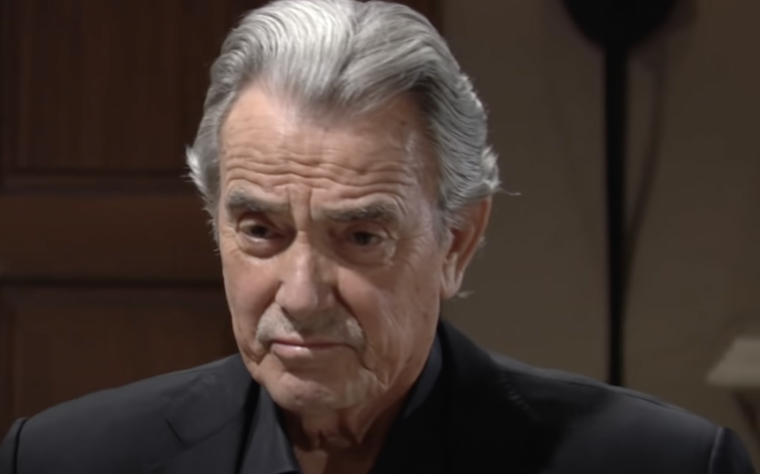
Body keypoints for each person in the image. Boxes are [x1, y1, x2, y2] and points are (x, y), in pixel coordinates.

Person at [0, 0, 755, 472]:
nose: (301, 296)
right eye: (260, 231)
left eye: (360, 236)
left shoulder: (665, 464)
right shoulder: (64, 459)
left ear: (456, 242)